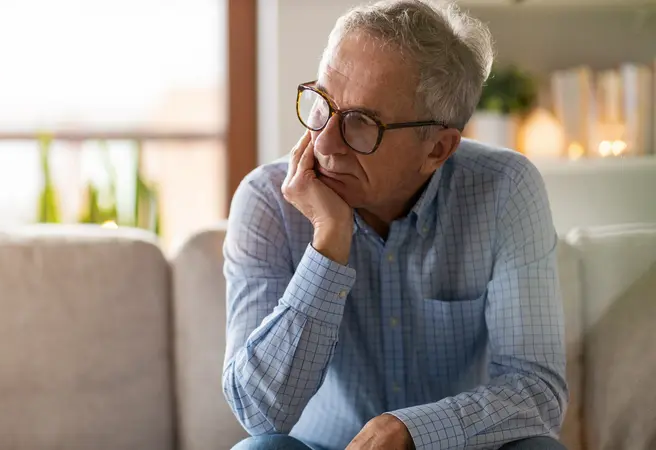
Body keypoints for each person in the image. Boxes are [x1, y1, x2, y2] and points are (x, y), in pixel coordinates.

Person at [222, 1, 568, 449]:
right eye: (322, 102)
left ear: (438, 149)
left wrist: (412, 431)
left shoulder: (506, 189)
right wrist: (329, 243)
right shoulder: (268, 200)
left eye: (361, 124)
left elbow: (537, 391)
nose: (324, 142)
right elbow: (259, 413)